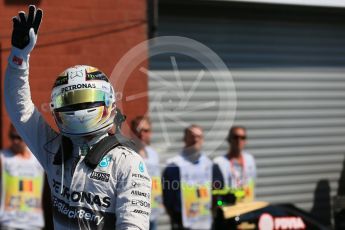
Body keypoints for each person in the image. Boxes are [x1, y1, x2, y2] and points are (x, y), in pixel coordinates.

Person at [5, 5, 151, 230]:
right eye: (69, 100)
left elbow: (133, 226)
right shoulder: (54, 149)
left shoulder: (127, 162)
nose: (77, 106)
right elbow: (20, 109)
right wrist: (19, 56)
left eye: (86, 99)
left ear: (108, 101)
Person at [162, 125, 223, 230]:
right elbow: (168, 199)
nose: (195, 139)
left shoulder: (211, 165)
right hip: (182, 224)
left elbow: (218, 192)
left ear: (202, 140)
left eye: (199, 136)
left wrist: (214, 208)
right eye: (192, 136)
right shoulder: (174, 166)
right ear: (185, 139)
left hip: (206, 223)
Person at [0, 124, 44, 230]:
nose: (15, 141)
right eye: (12, 136)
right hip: (10, 222)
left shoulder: (38, 158)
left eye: (19, 137)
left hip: (34, 223)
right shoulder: (3, 157)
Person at [130, 116, 163, 230]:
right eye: (139, 130)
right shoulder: (126, 154)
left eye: (146, 131)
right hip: (134, 215)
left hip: (152, 213)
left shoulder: (154, 155)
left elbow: (156, 181)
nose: (142, 135)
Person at [213, 126, 256, 203]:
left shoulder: (250, 159)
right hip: (228, 207)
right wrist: (220, 205)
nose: (239, 140)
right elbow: (216, 192)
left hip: (247, 205)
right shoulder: (219, 162)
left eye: (243, 138)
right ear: (229, 140)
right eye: (236, 137)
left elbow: (252, 184)